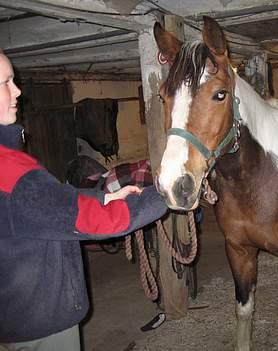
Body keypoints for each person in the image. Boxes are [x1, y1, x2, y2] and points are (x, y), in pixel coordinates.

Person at [0, 51, 167, 351]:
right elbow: (101, 222)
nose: (18, 91)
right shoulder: (13, 174)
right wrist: (167, 193)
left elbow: (51, 205)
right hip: (40, 322)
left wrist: (105, 195)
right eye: (6, 82)